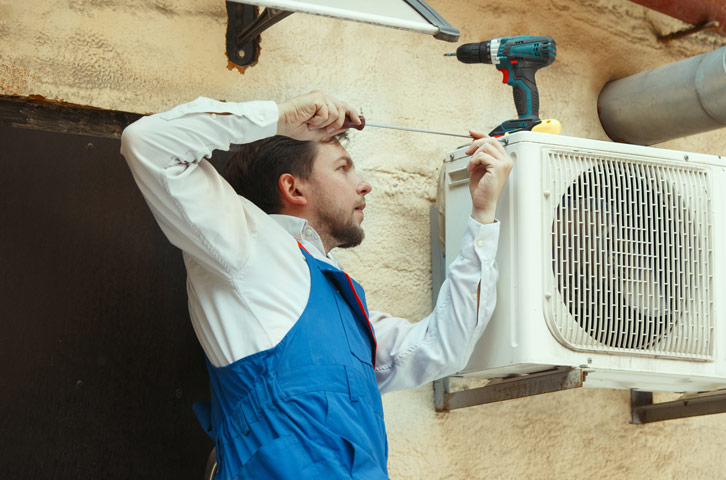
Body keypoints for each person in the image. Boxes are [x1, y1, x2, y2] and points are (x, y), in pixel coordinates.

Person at [120, 90, 512, 479]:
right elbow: (146, 142)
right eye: (343, 168)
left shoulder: (344, 303)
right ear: (293, 189)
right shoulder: (246, 245)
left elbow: (444, 347)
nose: (364, 185)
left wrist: (482, 216)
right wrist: (278, 118)